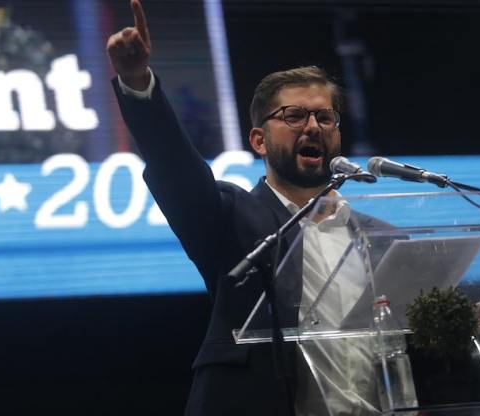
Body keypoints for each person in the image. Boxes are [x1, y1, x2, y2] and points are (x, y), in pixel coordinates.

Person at [106, 1, 352, 414]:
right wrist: (137, 82)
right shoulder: (232, 217)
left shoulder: (375, 236)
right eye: (294, 115)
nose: (312, 126)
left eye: (325, 117)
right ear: (258, 141)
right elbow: (176, 169)